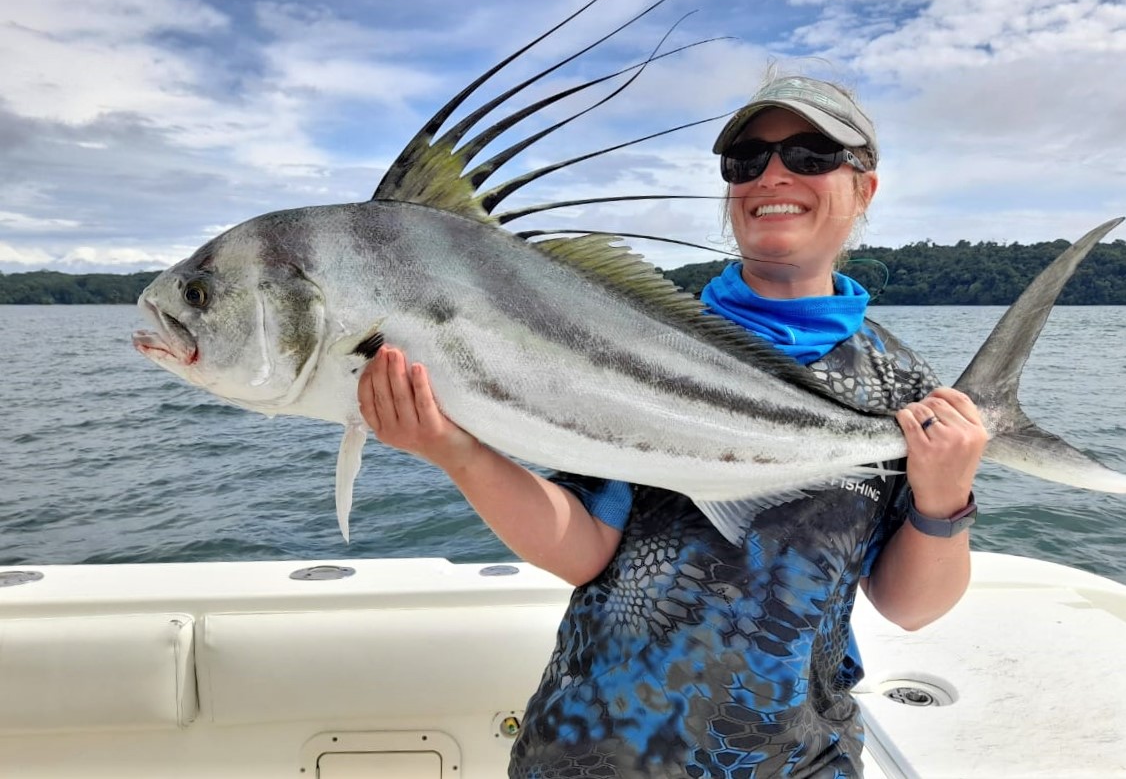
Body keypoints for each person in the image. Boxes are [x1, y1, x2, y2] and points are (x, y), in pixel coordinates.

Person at [357, 74, 988, 777]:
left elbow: (909, 606)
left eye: (810, 154)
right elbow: (584, 549)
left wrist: (944, 499)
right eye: (745, 159)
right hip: (594, 752)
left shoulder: (899, 387)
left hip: (797, 761)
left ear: (864, 189)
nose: (772, 174)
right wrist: (456, 451)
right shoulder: (634, 334)